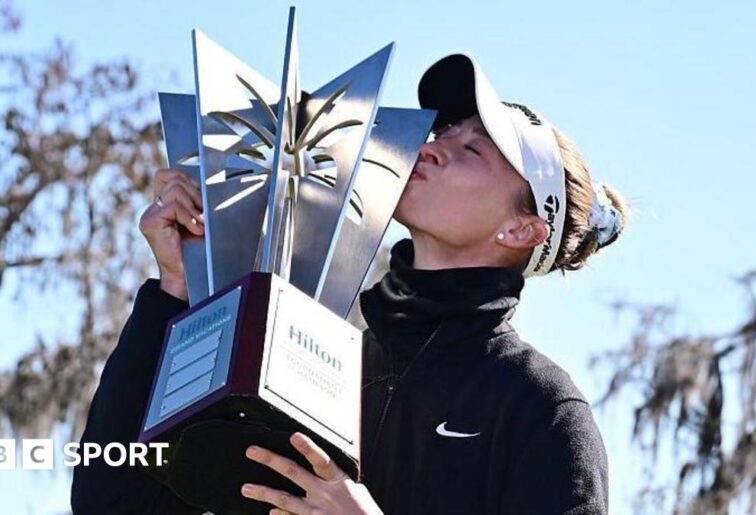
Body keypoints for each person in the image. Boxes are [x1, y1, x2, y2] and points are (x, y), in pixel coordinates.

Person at [71, 54, 626, 514]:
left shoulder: (541, 408)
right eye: (444, 130)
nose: (432, 145)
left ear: (522, 229)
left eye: (472, 149)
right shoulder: (307, 349)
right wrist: (176, 289)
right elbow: (110, 496)